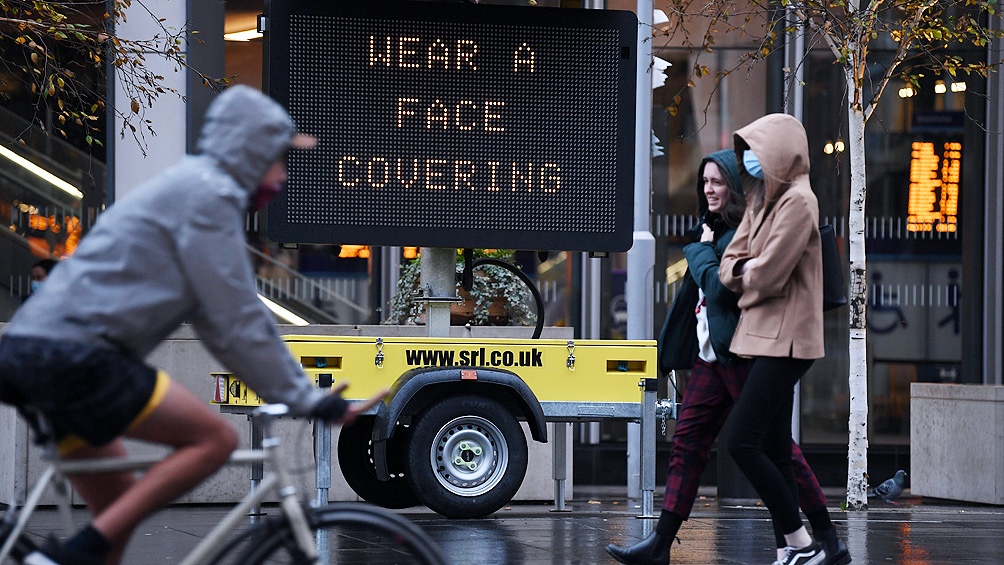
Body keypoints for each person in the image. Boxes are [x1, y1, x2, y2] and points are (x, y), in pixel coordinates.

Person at [0, 85, 386, 565]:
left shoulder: (190, 187)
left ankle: (79, 554)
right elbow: (238, 321)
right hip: (75, 355)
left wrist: (293, 392)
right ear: (250, 152)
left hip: (37, 352)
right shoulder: (208, 197)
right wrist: (307, 399)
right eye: (279, 159)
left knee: (117, 515)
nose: (283, 175)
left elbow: (219, 321)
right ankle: (67, 556)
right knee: (215, 440)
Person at [604, 150, 848, 565]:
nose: (708, 189)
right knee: (687, 443)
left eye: (717, 181)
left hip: (743, 352)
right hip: (710, 356)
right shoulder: (712, 229)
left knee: (774, 450)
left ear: (734, 186)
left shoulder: (742, 232)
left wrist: (699, 251)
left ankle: (825, 539)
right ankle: (660, 544)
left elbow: (721, 290)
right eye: (704, 182)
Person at [719, 114, 850, 565]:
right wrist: (747, 269)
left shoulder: (798, 201)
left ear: (779, 153)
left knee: (741, 442)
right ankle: (792, 551)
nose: (750, 161)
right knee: (774, 448)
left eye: (757, 151)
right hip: (763, 336)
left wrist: (747, 271)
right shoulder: (763, 199)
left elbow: (769, 276)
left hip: (789, 339)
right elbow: (730, 264)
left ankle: (801, 543)